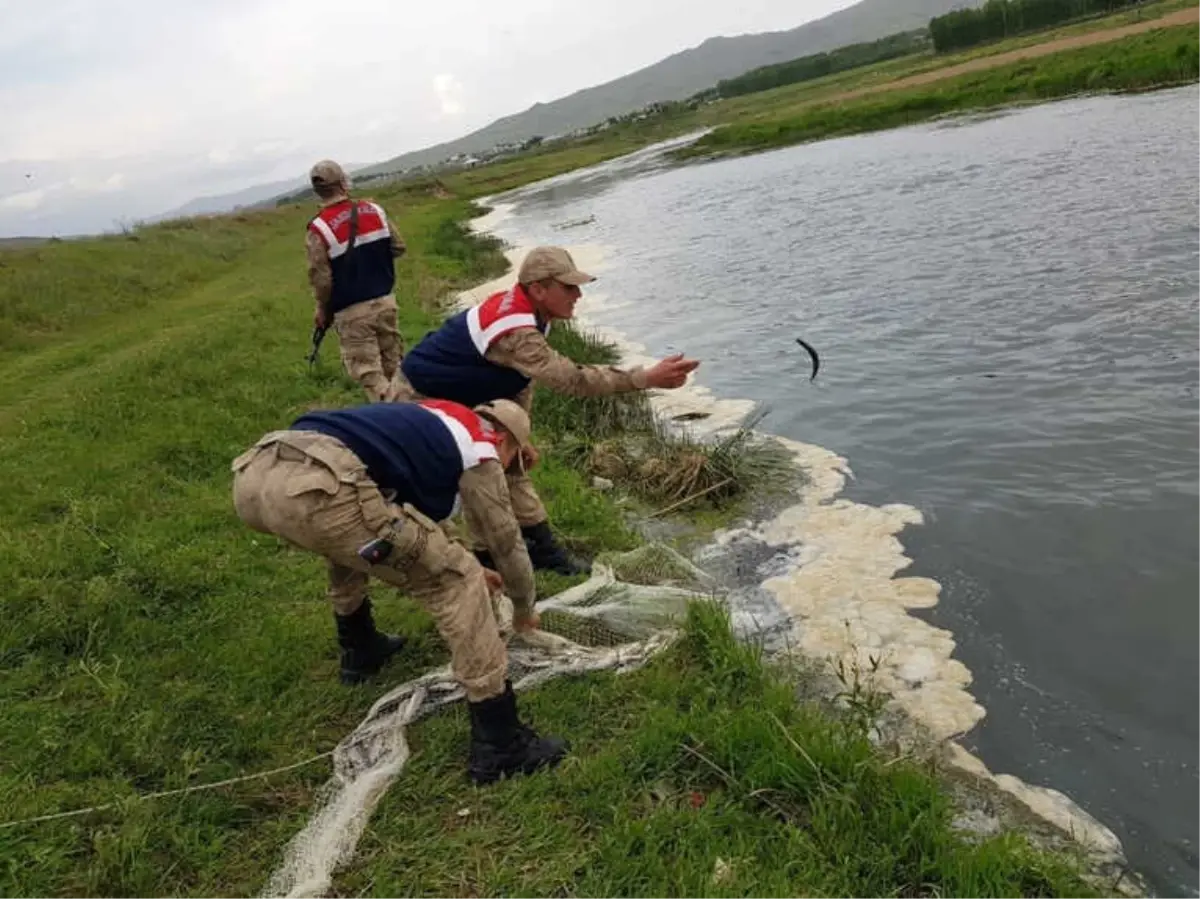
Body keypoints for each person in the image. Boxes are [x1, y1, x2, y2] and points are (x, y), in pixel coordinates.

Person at [230, 397, 568, 784]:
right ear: (507, 439)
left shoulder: (435, 417)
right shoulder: (482, 447)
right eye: (516, 461)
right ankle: (501, 745)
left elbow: (405, 515)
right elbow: (506, 543)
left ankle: (361, 649)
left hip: (257, 473)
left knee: (351, 537)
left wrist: (458, 554)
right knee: (458, 582)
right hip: (324, 485)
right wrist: (524, 608)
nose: (508, 471)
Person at [397, 245, 700, 575]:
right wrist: (645, 378)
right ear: (539, 289)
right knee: (471, 475)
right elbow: (573, 380)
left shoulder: (534, 314)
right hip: (420, 400)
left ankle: (537, 551)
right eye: (568, 287)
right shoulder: (517, 330)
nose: (578, 294)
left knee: (512, 465)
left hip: (462, 392)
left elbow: (520, 378)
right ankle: (462, 562)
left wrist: (518, 434)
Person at [306, 159, 408, 403]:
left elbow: (321, 279)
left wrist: (322, 308)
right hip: (385, 302)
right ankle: (418, 412)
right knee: (396, 368)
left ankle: (399, 424)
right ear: (343, 183)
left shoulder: (318, 228)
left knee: (371, 375)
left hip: (352, 314)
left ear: (318, 191)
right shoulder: (375, 210)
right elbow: (399, 247)